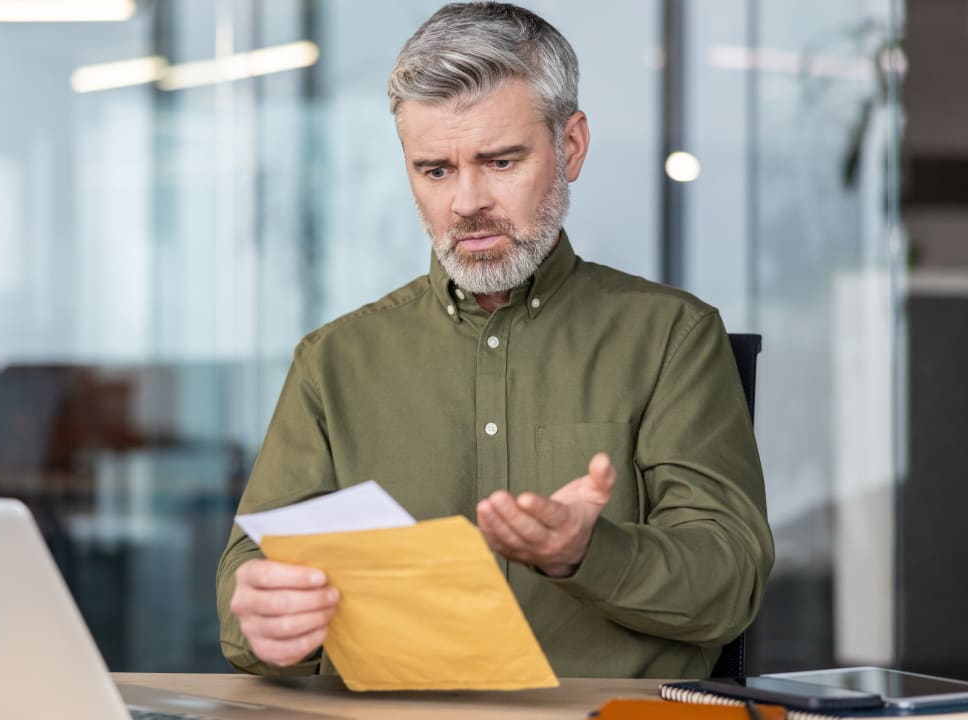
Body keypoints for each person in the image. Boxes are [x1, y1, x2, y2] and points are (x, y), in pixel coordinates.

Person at [216, 1, 774, 679]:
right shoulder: (331, 362)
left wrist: (584, 553)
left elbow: (729, 583)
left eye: (501, 161)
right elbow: (246, 592)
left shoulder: (672, 339)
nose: (466, 202)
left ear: (570, 146)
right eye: (435, 170)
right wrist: (268, 620)